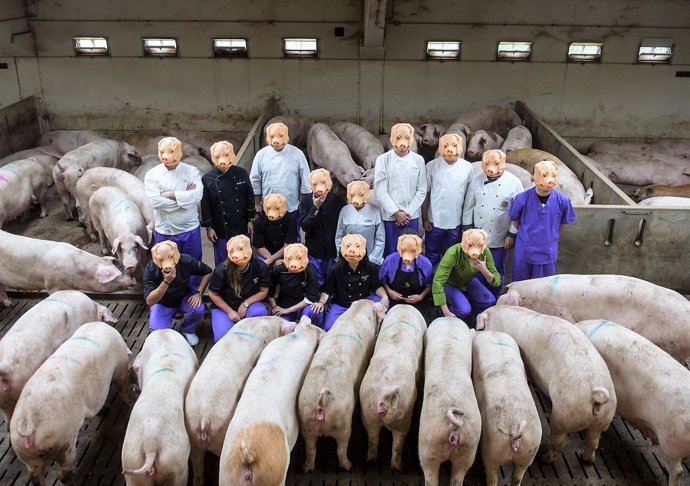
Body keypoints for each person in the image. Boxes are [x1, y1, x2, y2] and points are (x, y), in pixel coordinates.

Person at [462, 149, 524, 296]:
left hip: (499, 237)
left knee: (495, 269)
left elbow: (518, 212)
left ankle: (496, 297)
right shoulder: (476, 180)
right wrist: (467, 231)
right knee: (475, 269)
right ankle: (479, 299)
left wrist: (511, 235)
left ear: (503, 164)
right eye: (487, 163)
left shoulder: (514, 182)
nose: (491, 167)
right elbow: (468, 207)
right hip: (476, 238)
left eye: (496, 163)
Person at [509, 160, 576, 281]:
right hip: (525, 251)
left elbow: (562, 224)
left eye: (553, 175)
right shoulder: (522, 199)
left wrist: (550, 233)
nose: (550, 179)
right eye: (544, 175)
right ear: (534, 176)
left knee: (542, 287)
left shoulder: (563, 200)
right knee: (519, 286)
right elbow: (515, 221)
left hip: (547, 253)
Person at [144, 136, 204, 263]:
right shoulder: (152, 175)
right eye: (162, 152)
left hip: (189, 227)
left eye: (171, 151)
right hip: (165, 229)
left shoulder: (191, 171)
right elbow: (155, 202)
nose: (166, 156)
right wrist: (185, 199)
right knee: (167, 263)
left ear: (179, 152)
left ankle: (195, 284)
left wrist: (170, 194)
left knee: (193, 263)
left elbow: (198, 195)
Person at [314, 234, 389, 332]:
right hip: (341, 305)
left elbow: (376, 286)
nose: (352, 251)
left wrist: (385, 296)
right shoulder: (336, 269)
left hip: (364, 302)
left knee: (380, 311)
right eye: (348, 247)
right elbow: (327, 289)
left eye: (357, 247)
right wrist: (321, 302)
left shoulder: (370, 267)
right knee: (329, 328)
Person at [143, 240, 213, 347]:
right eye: (161, 259)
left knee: (198, 308)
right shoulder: (150, 269)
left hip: (183, 297)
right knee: (157, 333)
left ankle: (188, 329)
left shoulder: (186, 260)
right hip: (162, 303)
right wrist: (166, 281)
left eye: (170, 257)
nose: (167, 262)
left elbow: (207, 271)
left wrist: (199, 292)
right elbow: (149, 300)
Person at [374, 122, 427, 256]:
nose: (402, 142)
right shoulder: (383, 159)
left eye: (406, 138)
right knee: (391, 253)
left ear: (411, 139)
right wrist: (395, 212)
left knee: (411, 252)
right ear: (392, 139)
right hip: (390, 217)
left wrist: (407, 212)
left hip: (411, 217)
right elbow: (380, 190)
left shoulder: (418, 160)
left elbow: (421, 190)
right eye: (398, 138)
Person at [421, 133, 473, 267]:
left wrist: (466, 224)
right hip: (434, 220)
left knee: (452, 256)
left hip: (456, 221)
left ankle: (448, 284)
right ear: (440, 148)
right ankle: (430, 284)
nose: (450, 150)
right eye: (445, 146)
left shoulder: (467, 167)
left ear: (460, 148)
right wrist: (425, 218)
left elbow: (470, 197)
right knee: (431, 255)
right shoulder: (431, 166)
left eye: (454, 146)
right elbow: (426, 193)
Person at [201, 140, 255, 265]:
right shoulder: (207, 178)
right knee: (223, 259)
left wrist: (250, 219)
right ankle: (223, 282)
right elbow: (205, 205)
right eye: (218, 156)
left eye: (226, 155)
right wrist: (209, 228)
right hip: (220, 227)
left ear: (232, 155)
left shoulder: (241, 173)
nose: (222, 160)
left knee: (243, 255)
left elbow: (249, 196)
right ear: (213, 158)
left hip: (241, 223)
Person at [207, 235, 270, 342]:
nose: (236, 255)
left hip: (250, 304)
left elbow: (264, 291)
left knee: (260, 313)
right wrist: (230, 311)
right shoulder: (221, 269)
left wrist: (245, 304)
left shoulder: (260, 267)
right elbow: (213, 294)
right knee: (221, 338)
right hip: (225, 307)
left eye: (241, 249)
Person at [432, 228, 500, 325]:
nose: (475, 250)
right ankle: (442, 316)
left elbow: (497, 281)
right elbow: (438, 281)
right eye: (471, 245)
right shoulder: (453, 253)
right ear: (464, 243)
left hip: (467, 280)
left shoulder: (485, 252)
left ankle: (473, 317)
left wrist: (484, 270)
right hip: (449, 283)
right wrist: (446, 311)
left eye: (479, 245)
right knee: (464, 310)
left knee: (489, 300)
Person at [250, 122, 311, 224]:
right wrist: (257, 204)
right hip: (268, 207)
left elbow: (306, 180)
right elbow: (255, 179)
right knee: (270, 236)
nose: (276, 141)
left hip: (291, 206)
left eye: (280, 136)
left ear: (286, 136)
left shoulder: (297, 154)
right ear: (268, 137)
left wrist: (304, 205)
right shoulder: (261, 155)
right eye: (272, 136)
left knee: (291, 237)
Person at [299, 168, 347, 286]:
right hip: (315, 251)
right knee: (316, 281)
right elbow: (305, 226)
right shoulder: (305, 201)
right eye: (315, 184)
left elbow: (344, 224)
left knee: (333, 280)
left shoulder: (338, 201)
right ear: (311, 185)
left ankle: (330, 300)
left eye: (323, 183)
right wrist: (315, 207)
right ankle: (317, 301)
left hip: (333, 251)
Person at [268, 243, 323, 327]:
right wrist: (274, 306)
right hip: (284, 304)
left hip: (303, 306)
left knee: (314, 311)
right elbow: (270, 289)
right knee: (278, 325)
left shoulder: (310, 271)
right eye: (290, 259)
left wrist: (288, 310)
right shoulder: (279, 270)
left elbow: (310, 297)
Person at [335, 180, 385, 266]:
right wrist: (343, 255)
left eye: (361, 195)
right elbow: (339, 236)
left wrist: (373, 259)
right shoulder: (345, 211)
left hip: (369, 259)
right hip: (349, 259)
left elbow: (380, 239)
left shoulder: (375, 211)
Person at [379, 232, 433, 307]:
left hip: (417, 303)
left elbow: (429, 284)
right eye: (404, 249)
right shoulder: (390, 260)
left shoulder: (425, 263)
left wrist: (421, 296)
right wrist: (389, 291)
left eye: (412, 250)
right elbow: (381, 280)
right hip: (393, 301)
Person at [253, 193, 297, 267]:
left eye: (277, 208)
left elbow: (288, 245)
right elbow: (259, 246)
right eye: (269, 208)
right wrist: (271, 260)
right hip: (266, 254)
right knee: (261, 266)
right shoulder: (260, 221)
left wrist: (272, 260)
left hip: (285, 253)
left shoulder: (290, 219)